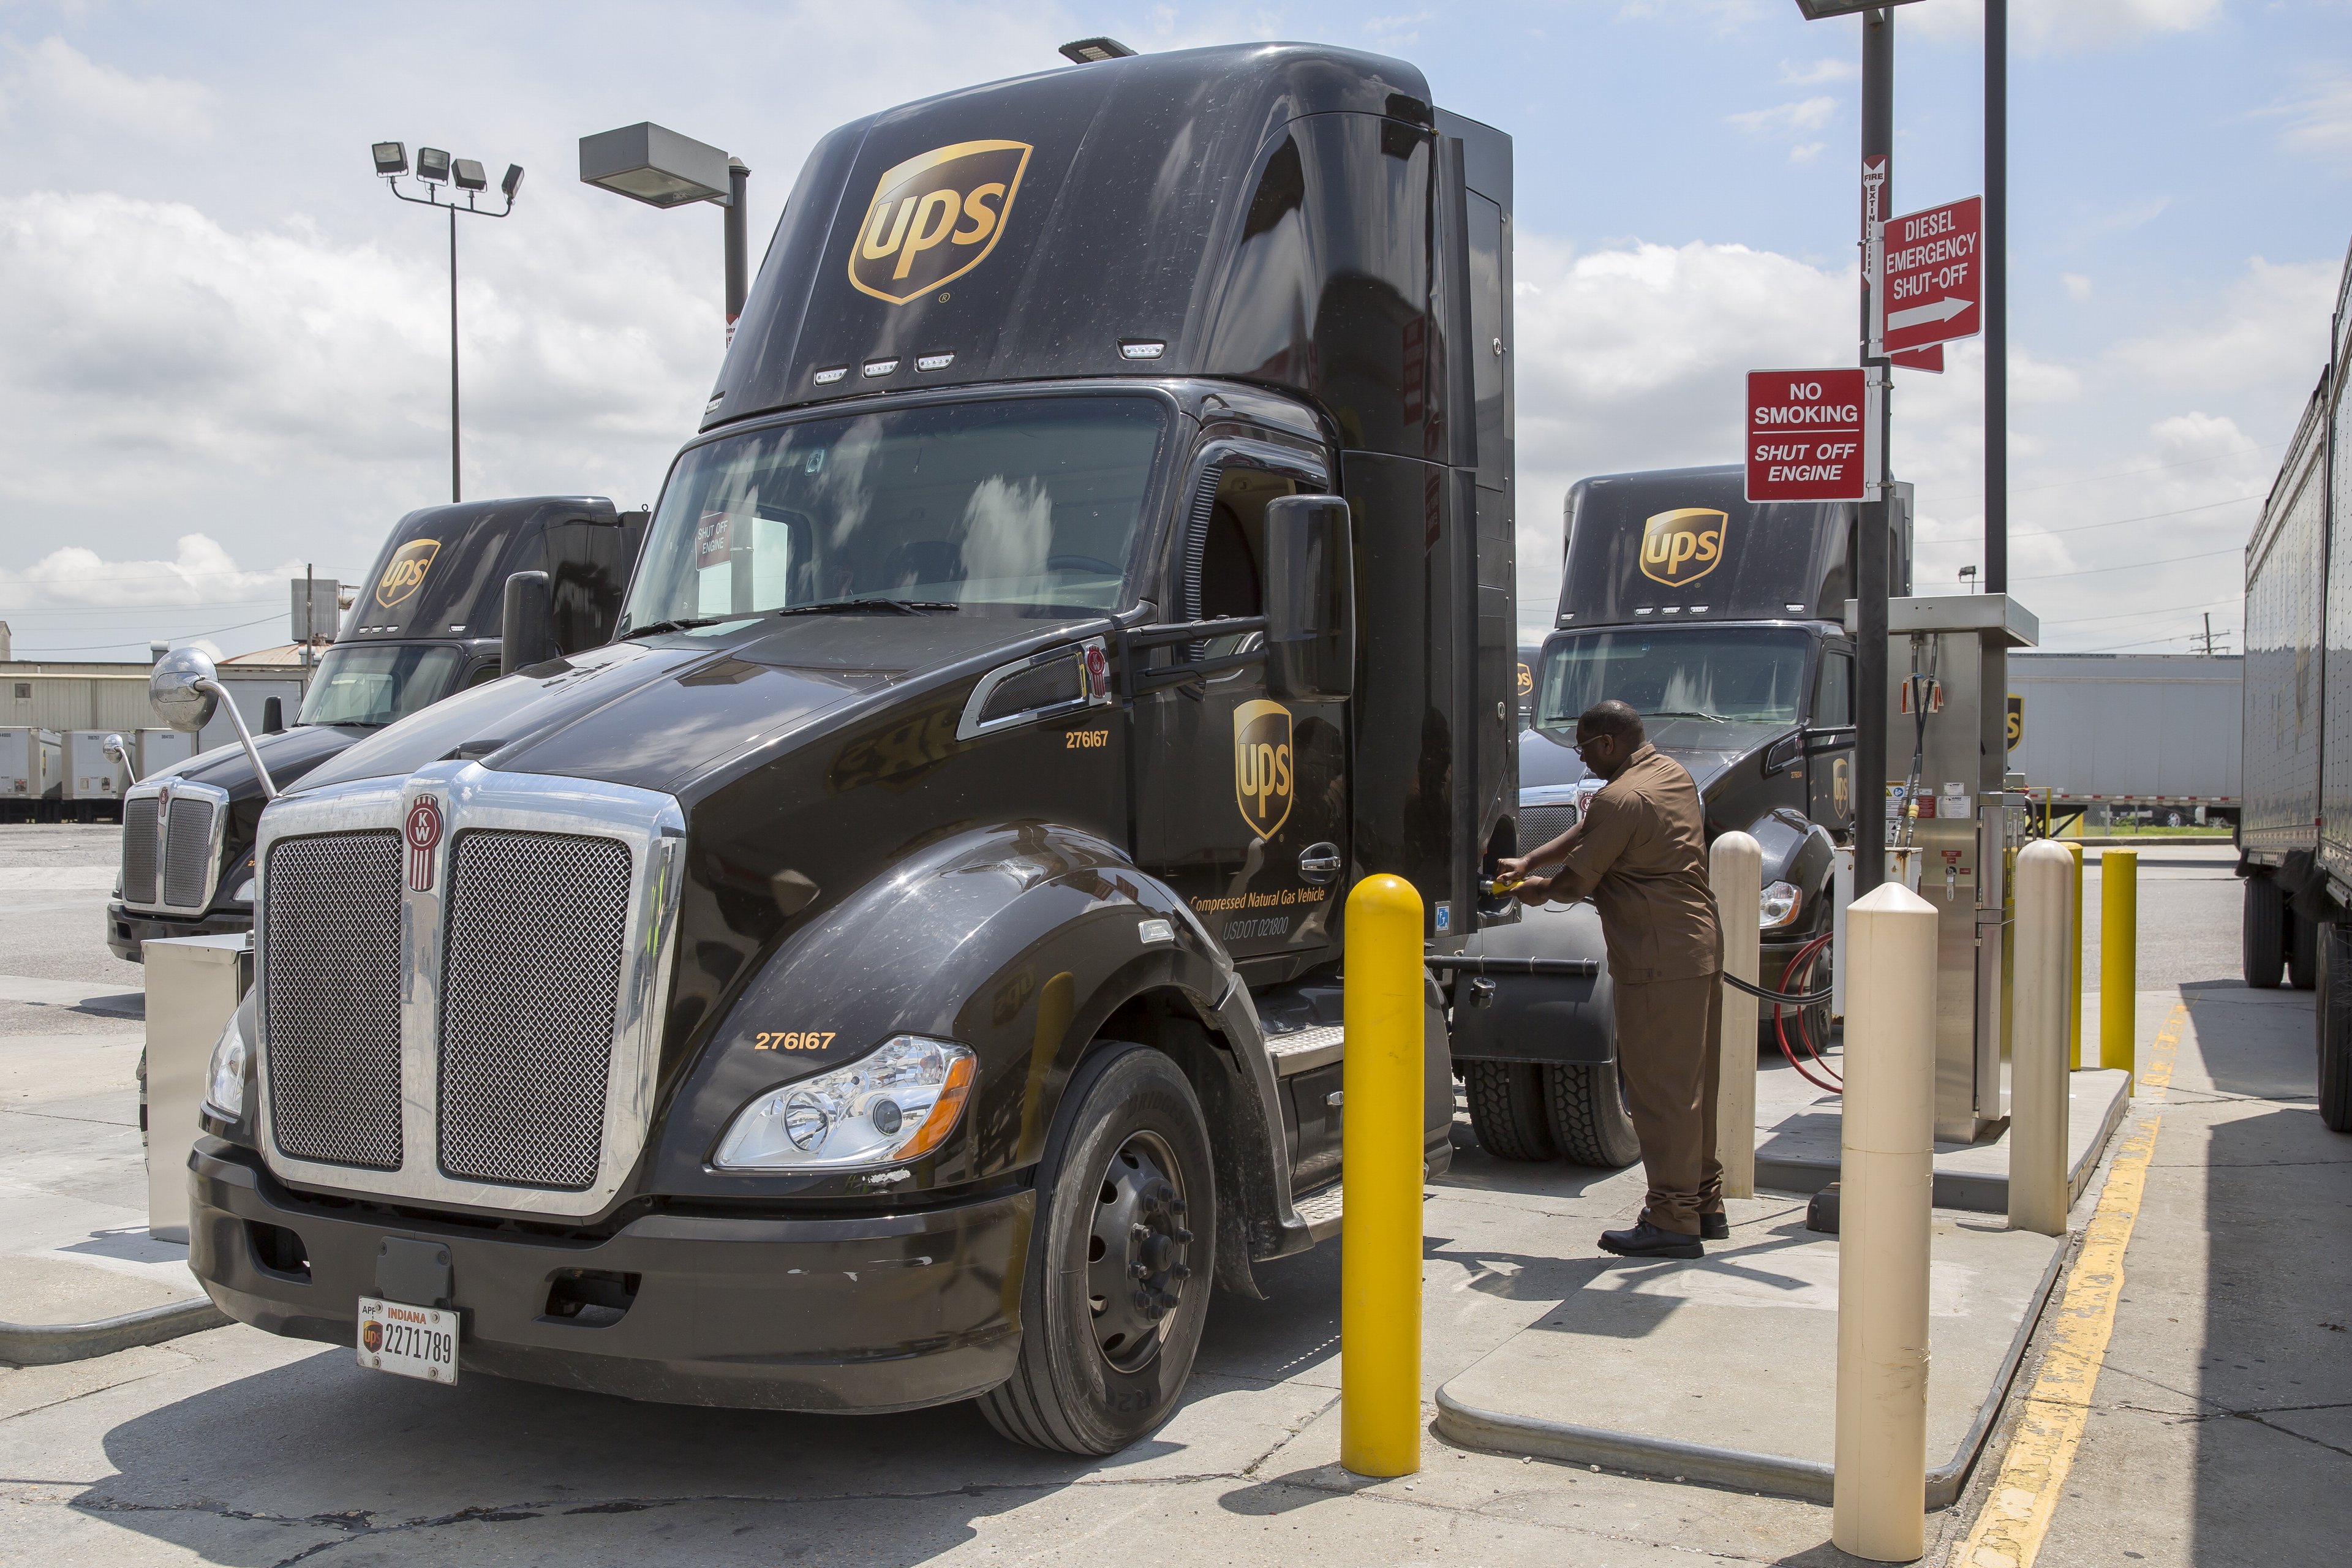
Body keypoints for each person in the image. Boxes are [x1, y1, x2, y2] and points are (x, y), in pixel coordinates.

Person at [1494, 699, 1725, 1260]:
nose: (1583, 759)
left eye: (1583, 749)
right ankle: (1702, 1203)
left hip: (1656, 957)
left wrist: (1533, 889)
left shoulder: (1620, 797)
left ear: (1606, 744)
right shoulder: (1668, 773)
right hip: (1695, 946)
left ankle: (1671, 1220)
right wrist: (1531, 858)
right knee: (1694, 1088)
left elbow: (1573, 884)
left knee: (1658, 1093)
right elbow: (1589, 828)